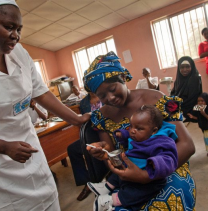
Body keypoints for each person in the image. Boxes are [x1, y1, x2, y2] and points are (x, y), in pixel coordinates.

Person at [0, 1, 89, 211]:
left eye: (19, 29)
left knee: (48, 200)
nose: (16, 35)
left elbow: (41, 92)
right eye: (9, 27)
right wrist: (4, 146)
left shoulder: (19, 53)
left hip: (29, 150)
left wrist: (76, 119)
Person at [84, 51, 196, 211]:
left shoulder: (155, 99)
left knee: (166, 203)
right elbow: (112, 152)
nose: (110, 98)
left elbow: (187, 145)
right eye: (102, 96)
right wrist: (104, 150)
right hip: (129, 173)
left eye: (113, 89)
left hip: (166, 166)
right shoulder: (101, 116)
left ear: (123, 78)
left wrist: (148, 175)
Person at [87, 105, 178, 211]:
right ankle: (107, 187)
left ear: (154, 131)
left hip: (149, 179)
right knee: (117, 171)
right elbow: (130, 137)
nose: (133, 131)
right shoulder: (140, 135)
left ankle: (112, 200)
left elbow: (170, 158)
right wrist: (123, 134)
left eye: (139, 128)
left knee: (135, 193)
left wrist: (156, 162)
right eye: (131, 126)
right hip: (129, 166)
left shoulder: (161, 141)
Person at [67, 92, 102, 201]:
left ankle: (97, 181)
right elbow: (84, 125)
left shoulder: (105, 95)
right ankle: (88, 182)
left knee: (93, 152)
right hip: (92, 133)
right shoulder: (84, 102)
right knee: (72, 149)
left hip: (107, 132)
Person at [170, 56, 202, 122]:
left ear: (192, 67)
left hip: (192, 105)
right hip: (182, 105)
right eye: (182, 67)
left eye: (187, 67)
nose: (184, 70)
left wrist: (177, 105)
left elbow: (192, 98)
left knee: (198, 110)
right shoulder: (178, 79)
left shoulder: (195, 78)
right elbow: (173, 92)